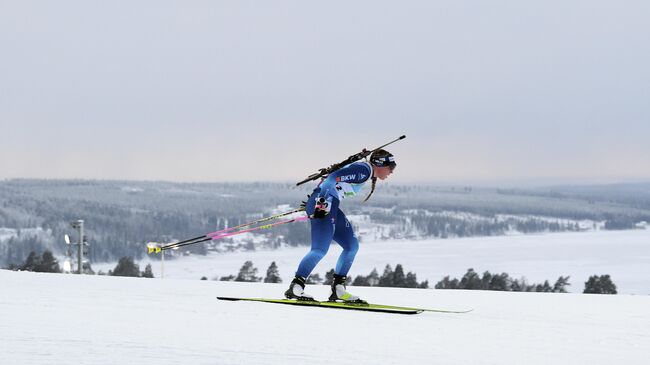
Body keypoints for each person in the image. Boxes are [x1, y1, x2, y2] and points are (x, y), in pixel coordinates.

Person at [285, 149, 397, 303]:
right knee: (319, 250)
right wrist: (321, 201)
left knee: (351, 246)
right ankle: (296, 287)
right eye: (391, 167)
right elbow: (332, 179)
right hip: (325, 206)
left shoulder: (364, 170)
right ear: (380, 165)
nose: (391, 171)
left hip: (331, 206)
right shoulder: (363, 171)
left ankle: (338, 290)